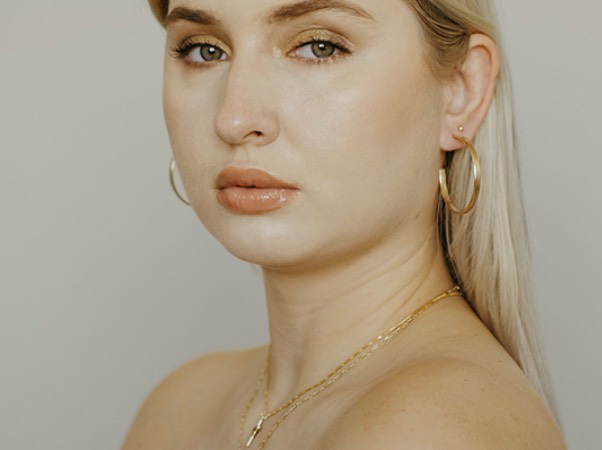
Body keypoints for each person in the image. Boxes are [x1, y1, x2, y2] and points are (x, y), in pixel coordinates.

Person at [123, 0, 566, 448]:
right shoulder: (179, 407)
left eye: (319, 47)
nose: (234, 119)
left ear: (461, 90)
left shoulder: (434, 428)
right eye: (204, 50)